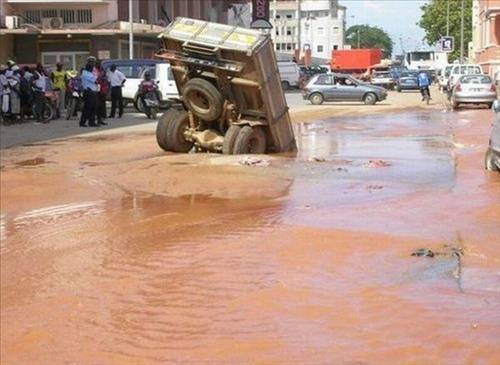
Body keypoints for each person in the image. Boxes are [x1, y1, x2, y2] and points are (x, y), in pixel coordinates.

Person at [80, 63, 98, 127]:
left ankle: (91, 122)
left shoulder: (87, 73)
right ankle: (83, 122)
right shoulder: (86, 74)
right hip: (89, 92)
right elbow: (96, 81)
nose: (93, 69)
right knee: (88, 108)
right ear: (89, 68)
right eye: (92, 68)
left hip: (91, 92)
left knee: (93, 108)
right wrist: (96, 74)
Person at [94, 60, 108, 125]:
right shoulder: (94, 70)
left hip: (103, 89)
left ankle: (102, 118)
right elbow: (95, 79)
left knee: (102, 105)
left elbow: (105, 79)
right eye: (97, 64)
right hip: (96, 90)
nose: (99, 65)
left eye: (99, 64)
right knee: (97, 104)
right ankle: (98, 118)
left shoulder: (102, 71)